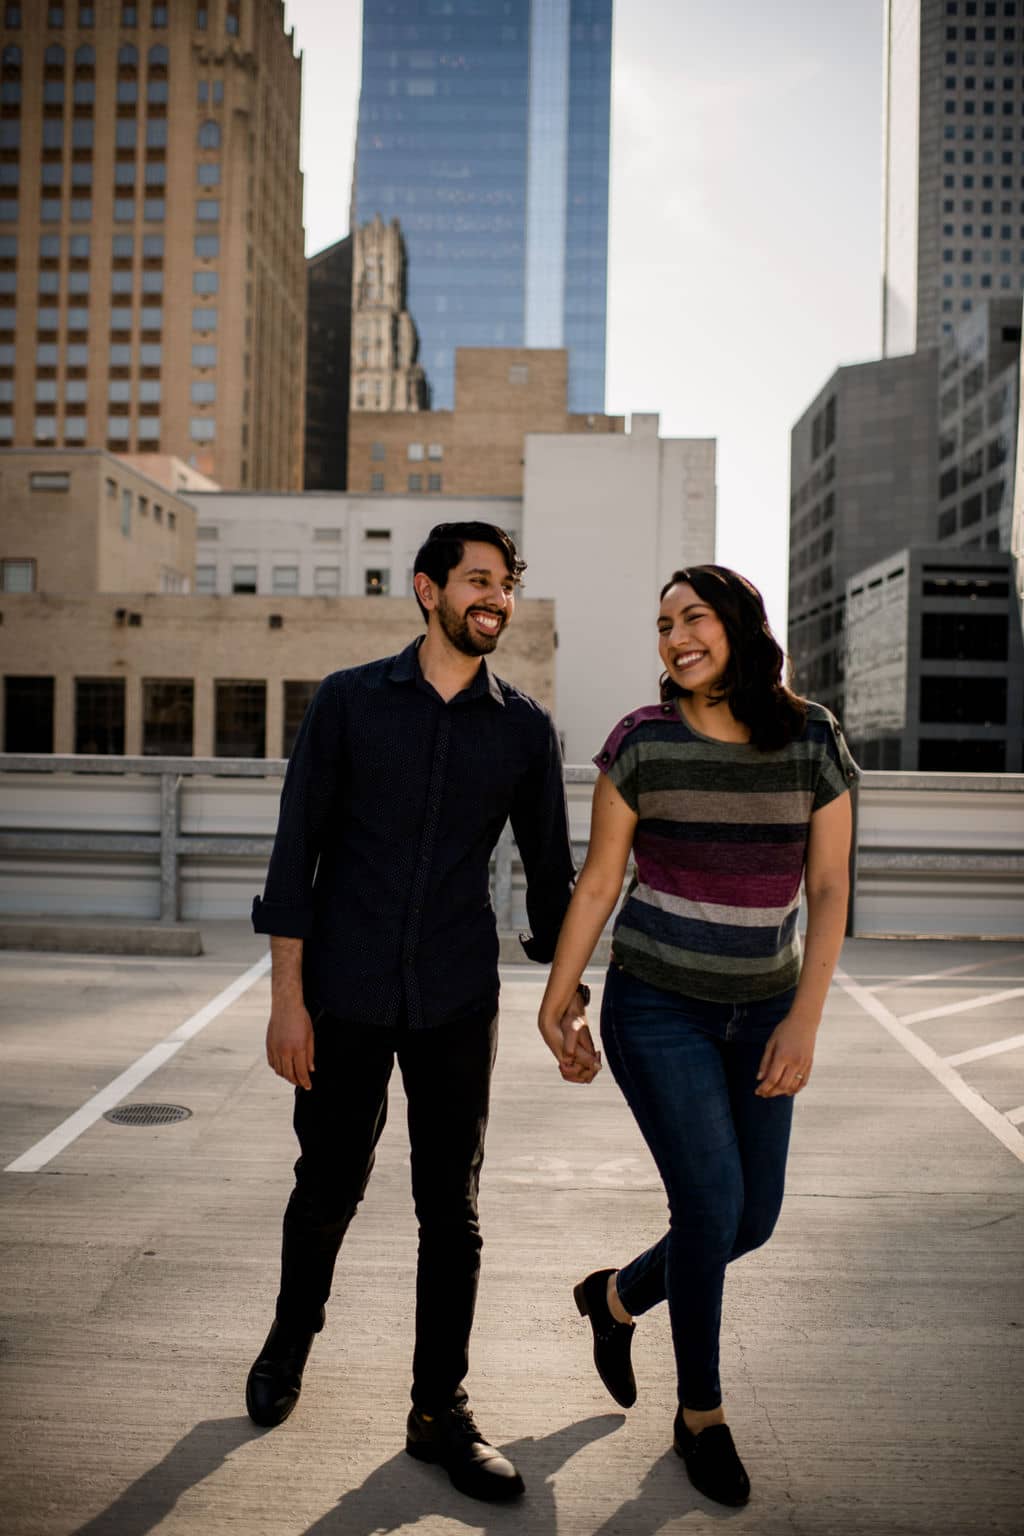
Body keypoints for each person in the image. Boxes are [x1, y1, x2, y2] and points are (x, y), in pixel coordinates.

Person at [247, 521, 598, 1504]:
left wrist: (568, 1002)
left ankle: (438, 1409)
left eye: (506, 584)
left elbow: (550, 884)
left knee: (453, 1209)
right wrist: (287, 1003)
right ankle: (289, 1339)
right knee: (327, 1183)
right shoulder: (351, 703)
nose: (494, 597)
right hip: (343, 993)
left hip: (453, 997)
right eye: (476, 580)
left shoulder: (524, 731)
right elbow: (294, 860)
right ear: (427, 588)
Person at [537, 564, 858, 1509]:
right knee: (712, 1205)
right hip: (659, 1007)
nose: (676, 635)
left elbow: (833, 887)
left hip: (766, 1008)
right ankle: (701, 1417)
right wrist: (560, 999)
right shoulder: (642, 742)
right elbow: (599, 882)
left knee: (749, 1220)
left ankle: (616, 1298)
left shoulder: (811, 737)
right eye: (664, 621)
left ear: (740, 628)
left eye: (695, 616)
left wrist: (804, 1018)